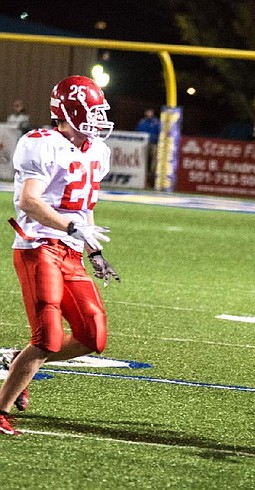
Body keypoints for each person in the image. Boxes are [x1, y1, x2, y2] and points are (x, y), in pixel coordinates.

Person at [0, 75, 120, 436]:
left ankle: (17, 363)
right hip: (38, 246)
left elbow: (85, 211)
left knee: (92, 335)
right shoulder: (40, 143)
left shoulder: (97, 150)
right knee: (48, 337)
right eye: (92, 111)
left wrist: (94, 248)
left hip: (69, 250)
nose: (99, 119)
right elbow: (28, 201)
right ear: (69, 111)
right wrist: (70, 228)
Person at [135, 108, 161, 188]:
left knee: (154, 165)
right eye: (147, 112)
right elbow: (138, 132)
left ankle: (153, 183)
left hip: (153, 144)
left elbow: (160, 133)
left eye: (150, 112)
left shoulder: (156, 122)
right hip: (143, 144)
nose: (148, 114)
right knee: (143, 163)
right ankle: (144, 183)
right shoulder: (142, 122)